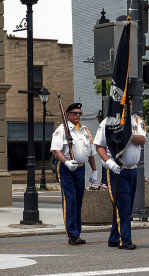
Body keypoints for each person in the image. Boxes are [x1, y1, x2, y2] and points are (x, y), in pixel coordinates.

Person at [94, 101, 146, 250]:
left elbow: (142, 139)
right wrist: (108, 162)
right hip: (117, 169)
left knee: (127, 206)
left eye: (130, 104)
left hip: (133, 170)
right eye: (125, 104)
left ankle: (114, 238)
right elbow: (99, 145)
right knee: (122, 205)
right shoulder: (108, 122)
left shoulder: (137, 120)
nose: (128, 106)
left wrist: (126, 134)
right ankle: (126, 240)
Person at [51, 102, 97, 245]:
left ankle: (77, 232)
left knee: (78, 201)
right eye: (75, 113)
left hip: (81, 169)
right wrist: (66, 162)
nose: (78, 115)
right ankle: (72, 234)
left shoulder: (85, 131)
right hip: (66, 169)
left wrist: (94, 170)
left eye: (79, 113)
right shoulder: (62, 130)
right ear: (68, 115)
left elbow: (90, 153)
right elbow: (56, 150)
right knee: (70, 201)